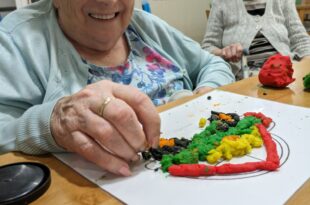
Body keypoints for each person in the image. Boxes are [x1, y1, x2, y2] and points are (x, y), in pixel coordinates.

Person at [0, 0, 234, 176]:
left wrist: (205, 94)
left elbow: (212, 63)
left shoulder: (143, 23)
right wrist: (56, 122)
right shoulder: (15, 39)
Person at [202, 0, 310, 80]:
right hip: (242, 80)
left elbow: (301, 40)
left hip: (286, 75)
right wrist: (223, 52)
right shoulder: (221, 3)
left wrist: (305, 67)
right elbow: (207, 47)